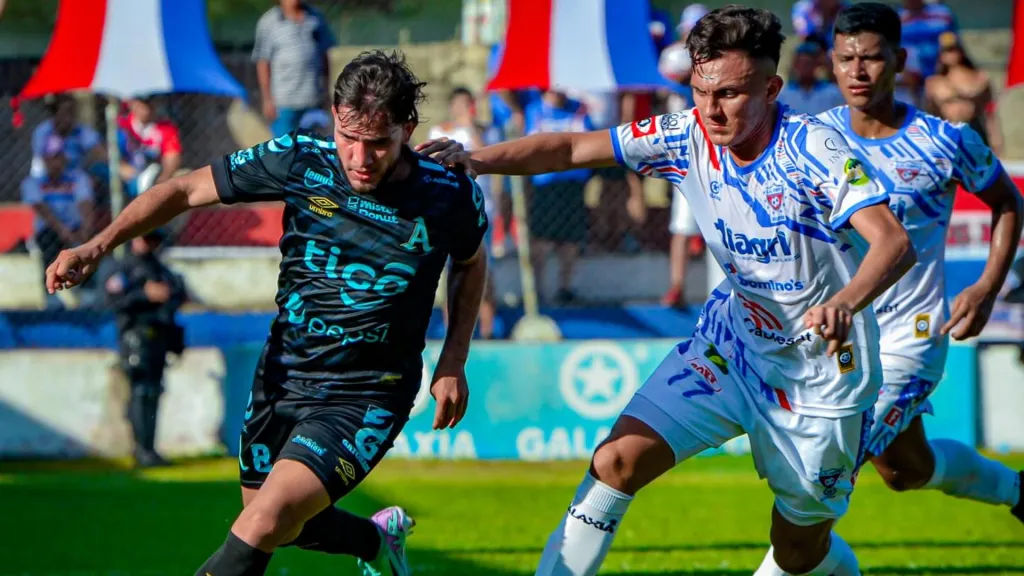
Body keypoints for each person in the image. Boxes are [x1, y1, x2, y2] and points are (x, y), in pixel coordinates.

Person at [419, 7, 916, 575]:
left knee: (800, 551)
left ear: (772, 88)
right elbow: (571, 150)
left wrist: (844, 302)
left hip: (821, 375)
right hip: (730, 349)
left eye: (731, 93)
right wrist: (475, 160)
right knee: (614, 463)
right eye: (701, 90)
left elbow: (893, 242)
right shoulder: (684, 134)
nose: (712, 108)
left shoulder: (815, 149)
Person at [45, 50, 489, 576]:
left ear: (407, 129)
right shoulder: (301, 159)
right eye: (349, 138)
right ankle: (376, 540)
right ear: (333, 117)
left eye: (378, 144)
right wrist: (97, 246)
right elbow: (185, 189)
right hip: (285, 374)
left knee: (262, 525)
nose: (361, 158)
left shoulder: (448, 193)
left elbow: (470, 262)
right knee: (270, 517)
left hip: (369, 389)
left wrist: (453, 360)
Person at [818, 1, 1024, 527]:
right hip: (839, 333)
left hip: (911, 336)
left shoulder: (944, 140)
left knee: (829, 462)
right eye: (846, 59)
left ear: (900, 60)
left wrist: (986, 288)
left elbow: (1007, 202)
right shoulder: (812, 139)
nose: (858, 72)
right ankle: (1017, 490)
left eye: (871, 58)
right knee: (905, 470)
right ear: (831, 63)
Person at [104, 229, 188, 468]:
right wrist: (145, 295)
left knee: (152, 391)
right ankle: (142, 450)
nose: (149, 244)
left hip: (158, 338)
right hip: (135, 337)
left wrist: (167, 295)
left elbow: (179, 295)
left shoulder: (161, 270)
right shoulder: (125, 268)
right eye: (145, 237)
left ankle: (149, 448)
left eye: (153, 239)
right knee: (141, 392)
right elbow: (112, 300)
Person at [428, 87, 499, 339]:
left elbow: (486, 155)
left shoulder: (485, 131)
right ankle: (452, 332)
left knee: (484, 271)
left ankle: (488, 330)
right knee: (453, 273)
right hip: (451, 213)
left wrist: (470, 127)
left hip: (483, 211)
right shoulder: (441, 132)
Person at [21, 134, 96, 307]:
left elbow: (85, 204)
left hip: (75, 228)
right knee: (48, 242)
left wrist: (86, 229)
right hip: (51, 231)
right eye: (51, 157)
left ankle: (86, 292)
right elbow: (43, 210)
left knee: (89, 246)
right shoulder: (33, 182)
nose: (55, 161)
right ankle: (52, 294)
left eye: (58, 156)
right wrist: (62, 230)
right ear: (44, 159)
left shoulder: (78, 178)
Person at [253, 0, 337, 136]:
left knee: (312, 149)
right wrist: (267, 100)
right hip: (284, 103)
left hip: (313, 100)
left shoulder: (316, 18)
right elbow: (263, 62)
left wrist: (326, 91)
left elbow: (324, 56)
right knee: (285, 149)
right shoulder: (268, 22)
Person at [924, 31, 1003, 154]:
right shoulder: (934, 82)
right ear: (940, 55)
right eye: (946, 51)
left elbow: (989, 113)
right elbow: (930, 114)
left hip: (974, 130)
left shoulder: (979, 77)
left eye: (953, 50)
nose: (950, 55)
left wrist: (996, 140)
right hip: (949, 133)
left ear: (961, 51)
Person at [777, 41, 844, 115]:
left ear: (817, 64)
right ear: (795, 65)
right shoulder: (784, 95)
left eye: (808, 63)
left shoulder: (832, 93)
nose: (804, 68)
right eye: (801, 63)